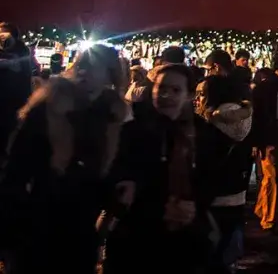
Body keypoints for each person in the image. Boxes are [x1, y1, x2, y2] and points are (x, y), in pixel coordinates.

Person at [0, 44, 127, 274]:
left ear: (109, 74)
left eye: (93, 67)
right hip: (38, 221)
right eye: (81, 65)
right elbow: (16, 166)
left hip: (82, 225)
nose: (83, 72)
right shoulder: (48, 107)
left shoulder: (112, 116)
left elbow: (112, 171)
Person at [105, 61, 210, 273]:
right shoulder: (133, 130)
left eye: (175, 90)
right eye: (161, 88)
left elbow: (211, 177)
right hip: (137, 236)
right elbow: (114, 173)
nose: (166, 95)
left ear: (189, 95)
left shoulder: (202, 134)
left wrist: (196, 205)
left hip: (184, 238)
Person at [195, 72, 254, 273]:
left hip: (213, 193)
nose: (198, 98)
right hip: (237, 189)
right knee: (228, 249)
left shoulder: (211, 122)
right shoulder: (243, 117)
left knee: (210, 252)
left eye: (202, 94)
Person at [249, 54, 278, 231]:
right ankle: (267, 215)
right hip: (269, 138)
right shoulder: (264, 89)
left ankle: (262, 209)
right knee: (270, 177)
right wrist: (257, 141)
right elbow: (258, 117)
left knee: (272, 176)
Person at [0, 22, 34, 161]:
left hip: (12, 97)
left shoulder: (22, 50)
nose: (1, 37)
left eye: (4, 34)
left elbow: (26, 74)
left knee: (6, 128)